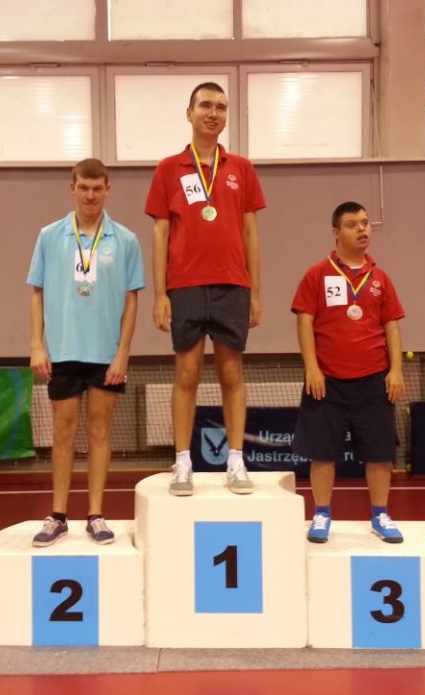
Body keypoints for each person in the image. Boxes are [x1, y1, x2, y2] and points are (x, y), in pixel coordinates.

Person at [145, 81, 266, 497]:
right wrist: (160, 293)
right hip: (185, 286)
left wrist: (255, 291)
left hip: (233, 284)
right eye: (205, 105)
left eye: (221, 107)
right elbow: (160, 234)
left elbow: (251, 232)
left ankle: (236, 460)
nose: (213, 113)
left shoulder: (241, 169)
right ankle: (183, 463)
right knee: (187, 374)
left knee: (232, 373)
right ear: (189, 113)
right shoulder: (168, 169)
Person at [28, 158, 144, 546]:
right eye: (84, 187)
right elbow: (37, 292)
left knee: (99, 432)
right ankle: (58, 515)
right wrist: (36, 345)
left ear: (107, 189)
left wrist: (123, 353)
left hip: (106, 354)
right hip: (62, 351)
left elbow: (132, 301)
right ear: (72, 188)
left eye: (97, 188)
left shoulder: (125, 240)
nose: (90, 195)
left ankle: (96, 514)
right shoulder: (49, 236)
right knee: (63, 432)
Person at [290, 202, 407, 544]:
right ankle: (322, 513)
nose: (362, 229)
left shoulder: (381, 279)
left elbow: (391, 326)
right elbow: (304, 322)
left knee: (380, 454)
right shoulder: (317, 275)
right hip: (327, 382)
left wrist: (396, 371)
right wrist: (312, 368)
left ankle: (380, 514)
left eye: (366, 223)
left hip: (374, 380)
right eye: (353, 224)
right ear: (336, 233)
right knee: (322, 454)